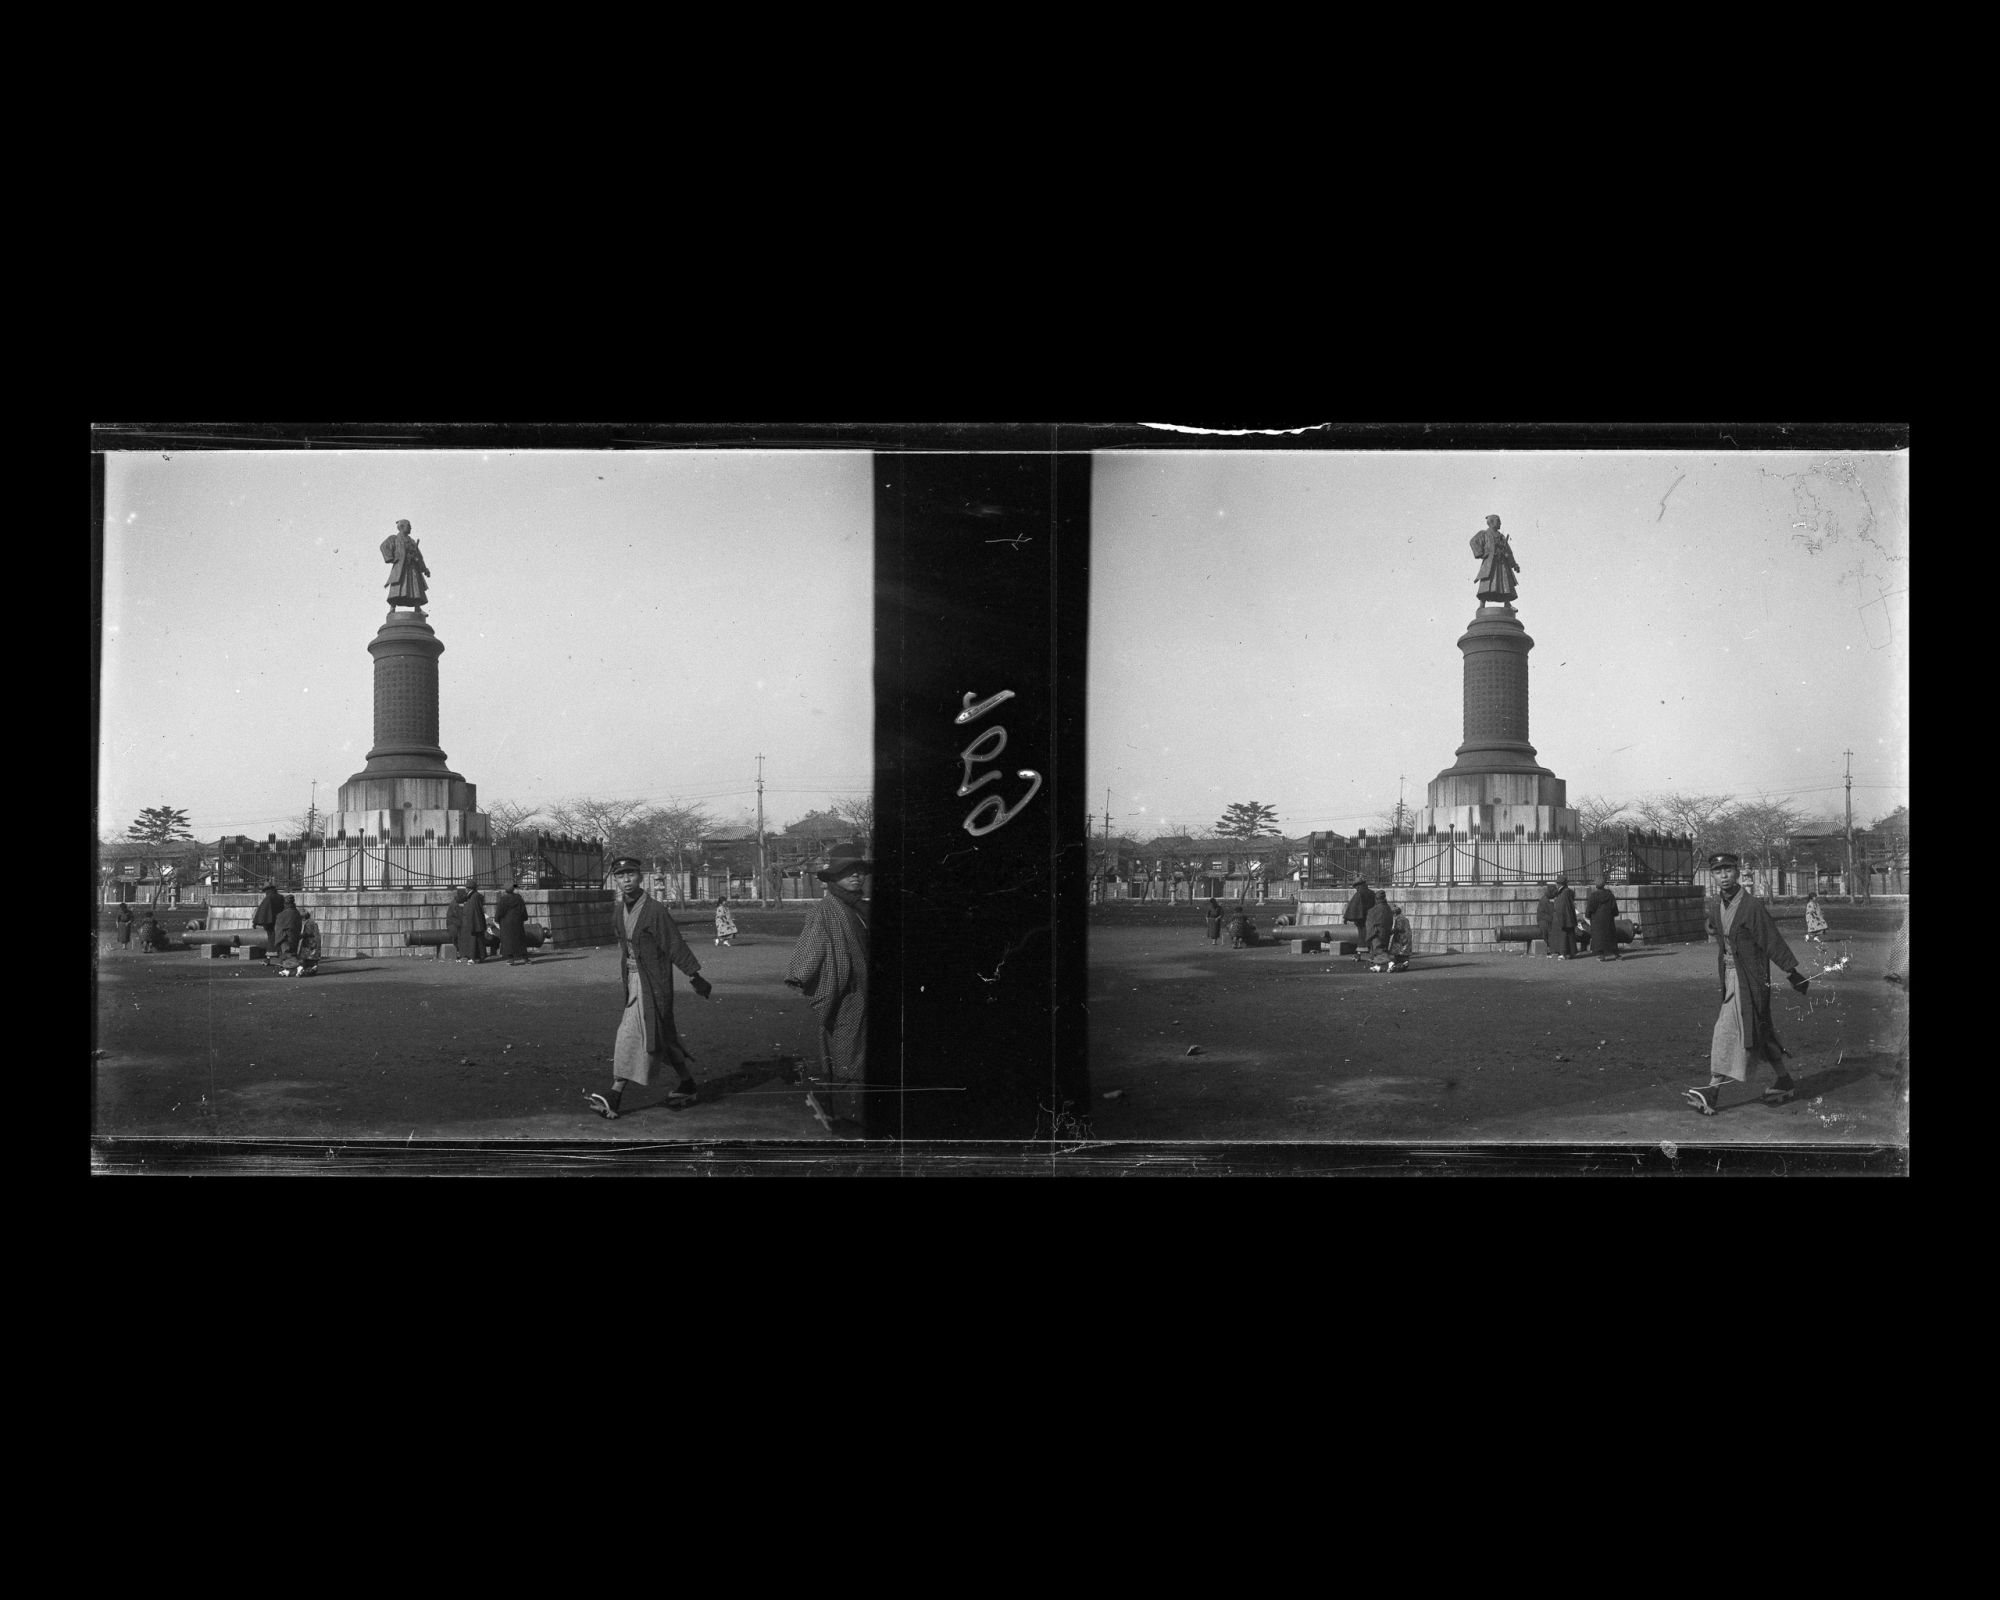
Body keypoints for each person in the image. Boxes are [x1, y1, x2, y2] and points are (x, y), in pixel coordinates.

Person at [583, 856, 711, 1120]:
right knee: (662, 1035)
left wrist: (694, 975)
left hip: (653, 983)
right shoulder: (619, 911)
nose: (626, 880)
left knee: (631, 1033)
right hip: (632, 980)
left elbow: (673, 943)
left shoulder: (655, 910)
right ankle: (687, 1083)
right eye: (620, 876)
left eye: (630, 874)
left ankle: (615, 1093)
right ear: (615, 880)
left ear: (641, 877)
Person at [1683, 852, 1811, 1115]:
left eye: (1728, 870)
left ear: (1737, 872)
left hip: (1750, 979)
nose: (1724, 875)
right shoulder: (1715, 905)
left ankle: (1713, 1090)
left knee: (1727, 1028)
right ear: (1713, 876)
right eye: (1718, 872)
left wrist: (1792, 971)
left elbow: (1770, 939)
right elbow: (1717, 930)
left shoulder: (1751, 906)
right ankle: (1784, 1079)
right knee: (1760, 1028)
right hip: (1730, 976)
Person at [785, 841, 870, 1134]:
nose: (855, 876)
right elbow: (813, 942)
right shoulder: (826, 910)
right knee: (847, 1055)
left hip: (868, 993)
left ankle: (855, 1110)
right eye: (847, 872)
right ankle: (848, 1116)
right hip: (848, 995)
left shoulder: (861, 907)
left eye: (859, 870)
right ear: (833, 877)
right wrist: (800, 974)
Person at [1469, 513, 1521, 604]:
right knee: (1486, 583)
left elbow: (1508, 552)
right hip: (1490, 564)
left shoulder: (1501, 537)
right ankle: (1482, 604)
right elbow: (1473, 542)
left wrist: (1514, 564)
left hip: (1502, 563)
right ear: (1492, 522)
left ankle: (1507, 603)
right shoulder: (1484, 534)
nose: (1500, 523)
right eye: (1498, 521)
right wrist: (1481, 553)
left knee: (1505, 583)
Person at [380, 519, 430, 608]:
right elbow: (384, 546)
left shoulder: (412, 542)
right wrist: (392, 558)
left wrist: (424, 569)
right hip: (400, 568)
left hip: (413, 568)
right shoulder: (394, 538)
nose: (411, 528)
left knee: (416, 588)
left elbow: (419, 556)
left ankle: (417, 608)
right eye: (409, 526)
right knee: (397, 587)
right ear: (402, 527)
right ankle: (392, 607)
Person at [1586, 873, 1622, 960]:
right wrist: (1614, 914)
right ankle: (1616, 953)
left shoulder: (1593, 896)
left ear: (1596, 884)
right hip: (1608, 918)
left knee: (1598, 937)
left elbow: (1590, 908)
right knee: (1611, 936)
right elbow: (1614, 908)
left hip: (1596, 919)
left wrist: (1588, 915)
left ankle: (1601, 955)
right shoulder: (1609, 895)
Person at [494, 880, 531, 965]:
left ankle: (511, 959)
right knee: (520, 940)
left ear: (505, 890)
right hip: (517, 921)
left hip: (506, 923)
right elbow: (523, 910)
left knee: (508, 941)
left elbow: (499, 911)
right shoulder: (518, 898)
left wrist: (497, 919)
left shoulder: (503, 899)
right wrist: (524, 918)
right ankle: (525, 958)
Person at [251, 882, 284, 966]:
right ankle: (281, 960)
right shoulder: (281, 897)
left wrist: (255, 922)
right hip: (280, 922)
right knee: (281, 941)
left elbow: (262, 911)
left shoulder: (268, 898)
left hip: (270, 923)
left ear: (267, 890)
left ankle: (267, 960)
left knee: (271, 941)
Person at [455, 878, 486, 964]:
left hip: (473, 922)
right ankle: (476, 957)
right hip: (475, 922)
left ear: (469, 888)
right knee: (476, 941)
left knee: (473, 941)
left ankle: (473, 957)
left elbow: (473, 911)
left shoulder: (474, 897)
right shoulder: (474, 896)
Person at [1549, 875, 1578, 960]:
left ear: (1559, 884)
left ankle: (1564, 953)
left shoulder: (1563, 894)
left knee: (1563, 936)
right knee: (1570, 935)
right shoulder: (1567, 892)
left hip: (1563, 918)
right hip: (1569, 917)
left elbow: (1561, 907)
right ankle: (1571, 952)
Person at [1344, 878, 1377, 948]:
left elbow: (1353, 906)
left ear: (1358, 886)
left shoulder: (1359, 894)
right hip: (1372, 918)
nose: (1356, 889)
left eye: (1355, 887)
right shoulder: (1372, 893)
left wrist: (1346, 918)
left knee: (1362, 934)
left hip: (1362, 919)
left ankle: (1363, 947)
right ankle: (1370, 947)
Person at [272, 894, 302, 969]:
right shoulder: (296, 913)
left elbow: (279, 927)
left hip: (286, 937)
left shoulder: (283, 914)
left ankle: (291, 965)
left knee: (287, 953)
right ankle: (288, 965)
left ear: (286, 904)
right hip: (294, 936)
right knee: (292, 952)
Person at [1537, 882, 1556, 958]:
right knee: (1548, 930)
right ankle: (1551, 947)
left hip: (1546, 918)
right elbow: (1549, 913)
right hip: (1543, 920)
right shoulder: (1545, 900)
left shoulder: (1547, 899)